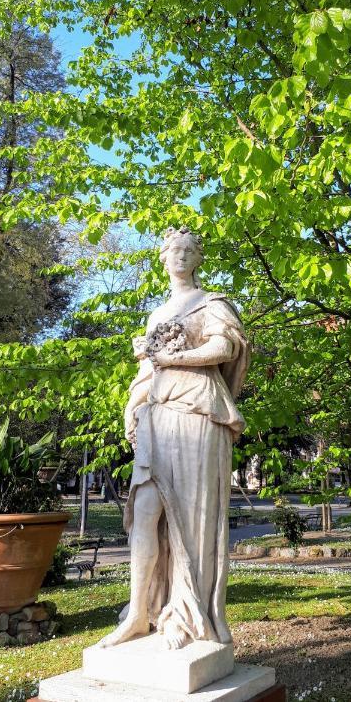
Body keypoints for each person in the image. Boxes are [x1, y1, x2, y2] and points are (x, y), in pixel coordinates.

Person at [100, 226, 249, 650]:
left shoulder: (212, 303)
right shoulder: (156, 314)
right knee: (144, 509)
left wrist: (174, 357)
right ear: (163, 259)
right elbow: (148, 370)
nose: (181, 257)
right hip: (158, 414)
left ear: (197, 259)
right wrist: (133, 404)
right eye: (174, 251)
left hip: (199, 411)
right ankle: (138, 612)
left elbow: (225, 348)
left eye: (188, 251)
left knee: (192, 516)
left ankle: (186, 613)